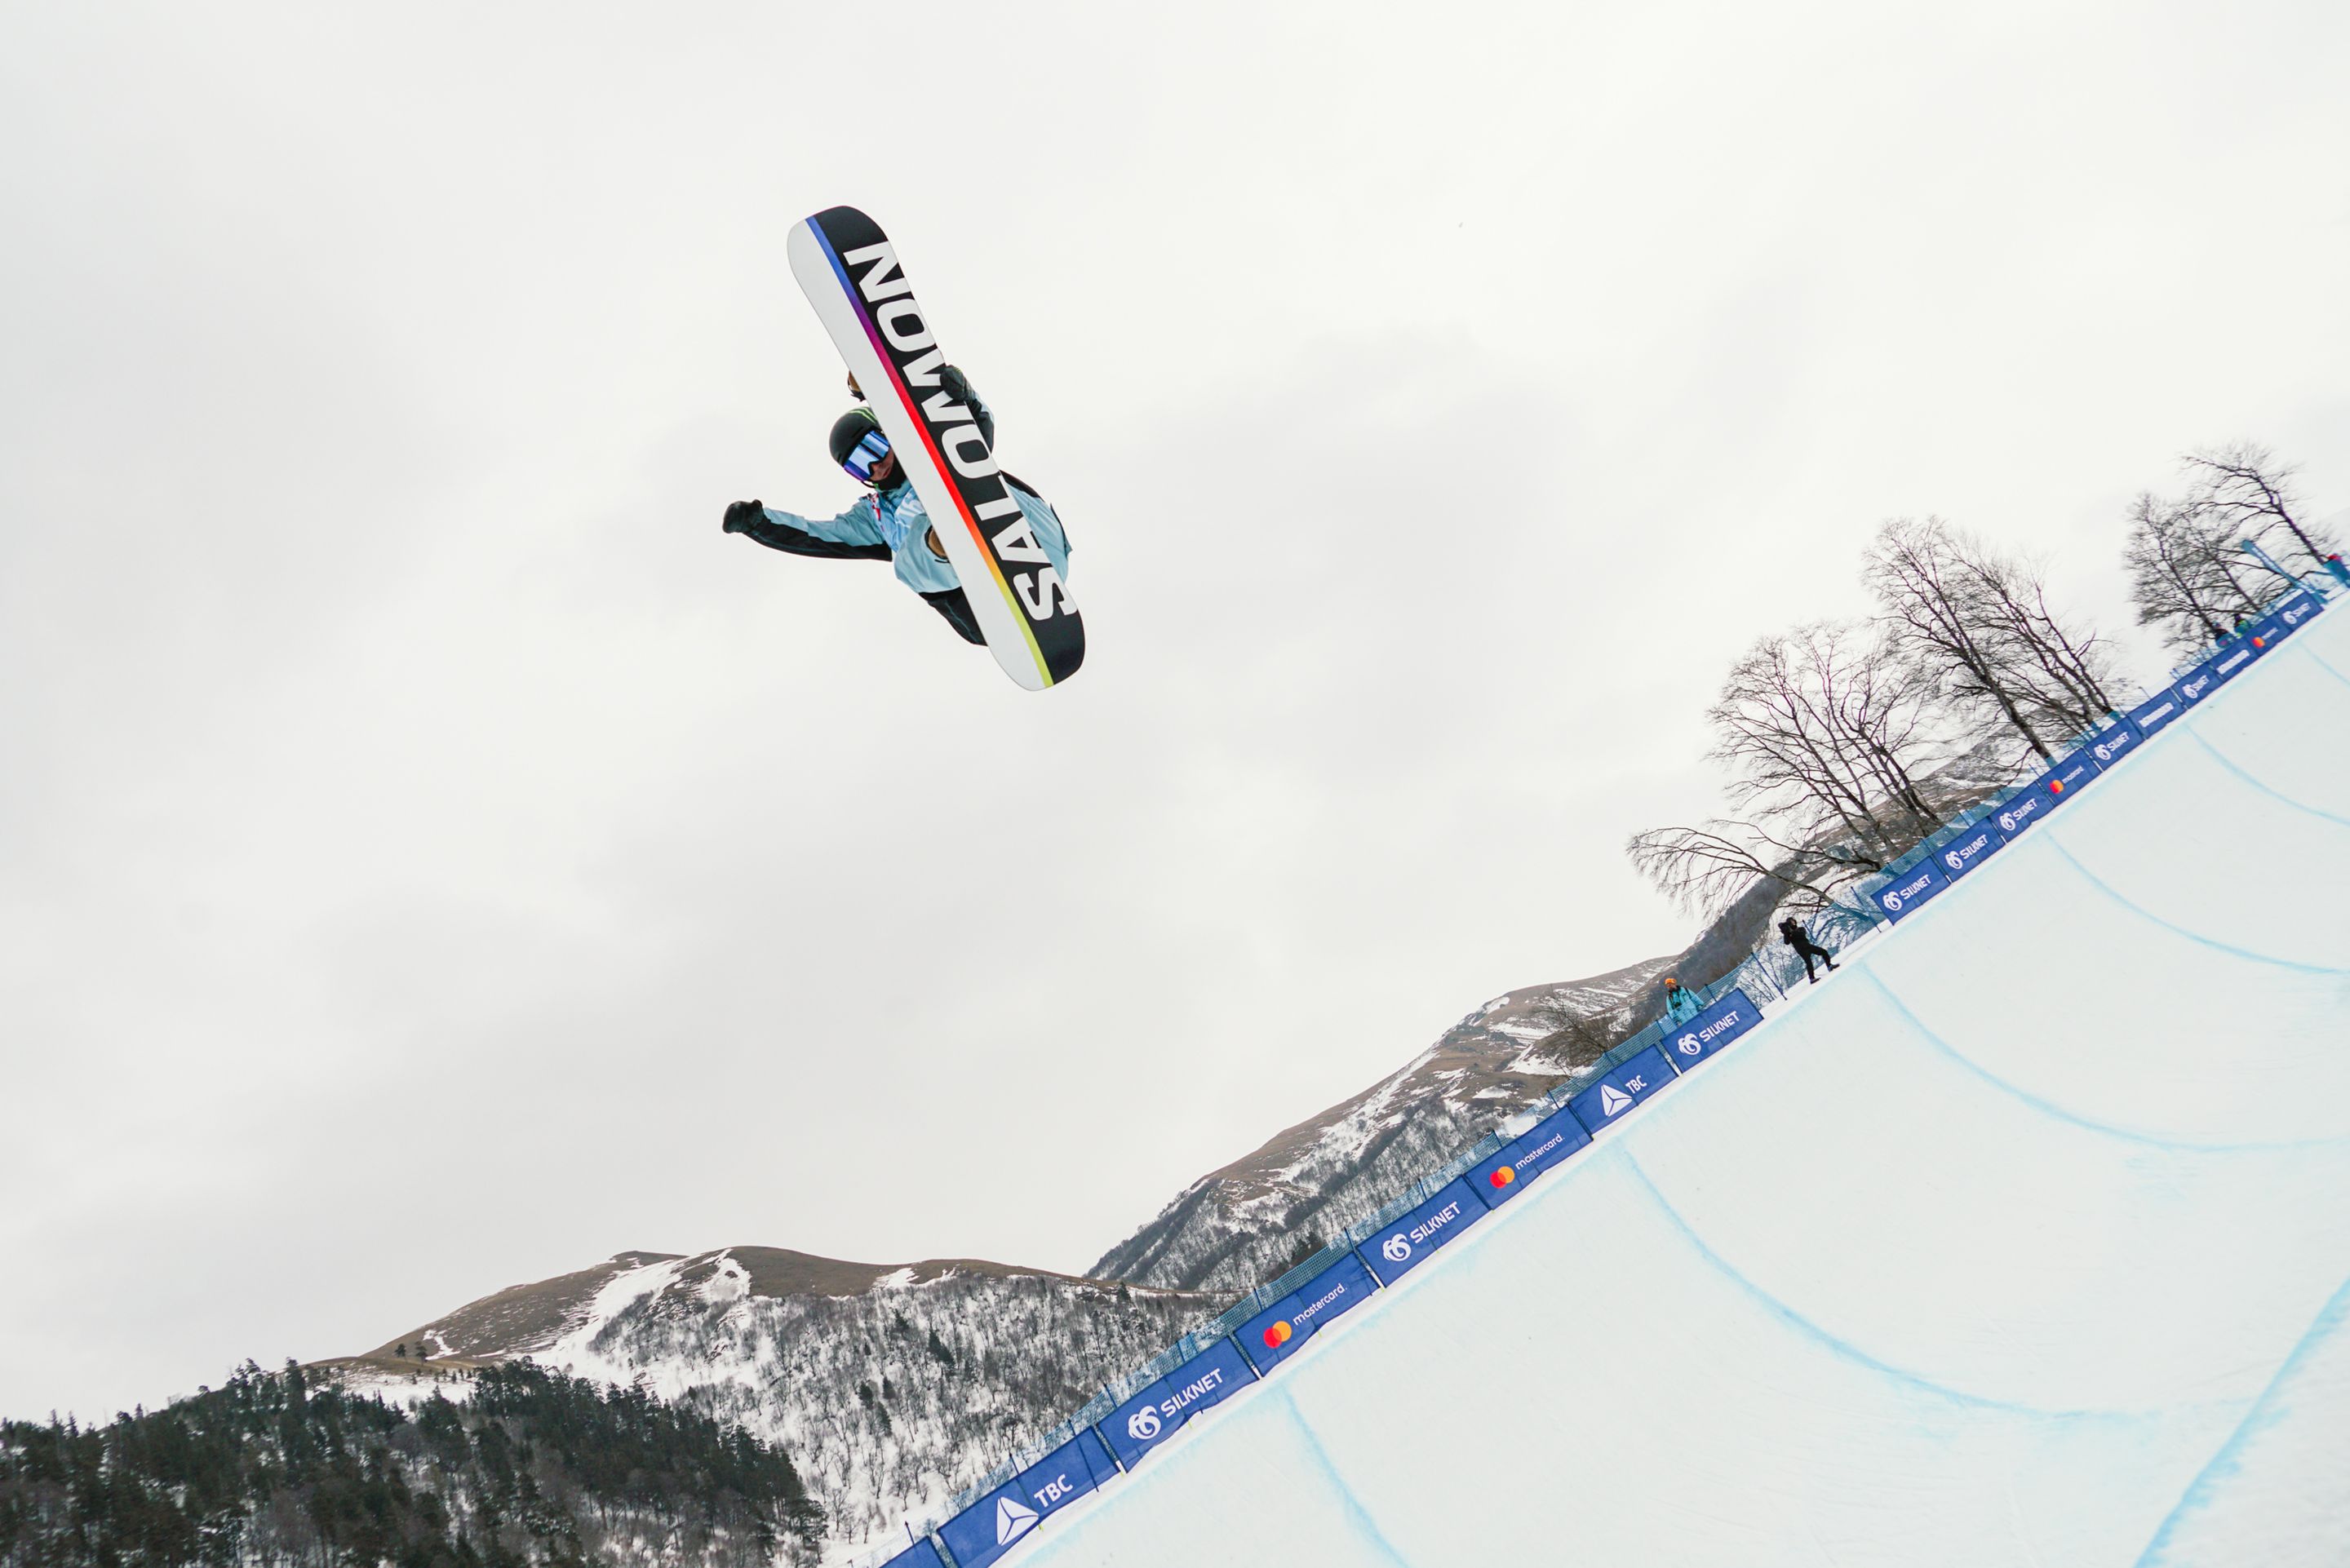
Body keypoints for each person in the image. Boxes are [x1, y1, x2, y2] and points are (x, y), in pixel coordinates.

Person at [721, 365, 1071, 646]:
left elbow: (977, 432)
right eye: (860, 465)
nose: (875, 466)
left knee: (950, 456)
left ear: (888, 433)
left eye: (875, 448)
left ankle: (960, 521)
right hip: (975, 599)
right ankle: (945, 541)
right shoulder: (875, 517)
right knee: (906, 559)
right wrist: (758, 523)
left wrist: (960, 394)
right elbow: (817, 536)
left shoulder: (925, 446)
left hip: (1033, 533)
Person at [1779, 917, 1839, 983]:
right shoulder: (1788, 933)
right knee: (1809, 963)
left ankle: (1829, 966)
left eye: (1793, 921)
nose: (1793, 923)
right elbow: (1786, 942)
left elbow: (1801, 935)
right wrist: (1786, 933)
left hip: (1808, 946)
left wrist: (1791, 932)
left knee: (1823, 952)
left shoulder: (1800, 929)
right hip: (1801, 950)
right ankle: (1812, 978)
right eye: (1791, 922)